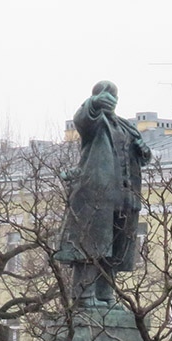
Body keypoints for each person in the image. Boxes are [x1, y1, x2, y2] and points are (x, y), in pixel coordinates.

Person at [57, 80, 152, 307]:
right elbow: (82, 118)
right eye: (104, 95)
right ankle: (84, 296)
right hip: (96, 195)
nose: (111, 99)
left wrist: (144, 151)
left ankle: (105, 295)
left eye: (113, 95)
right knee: (90, 247)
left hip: (125, 197)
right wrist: (93, 103)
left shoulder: (126, 126)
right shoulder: (95, 124)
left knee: (114, 250)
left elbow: (142, 158)